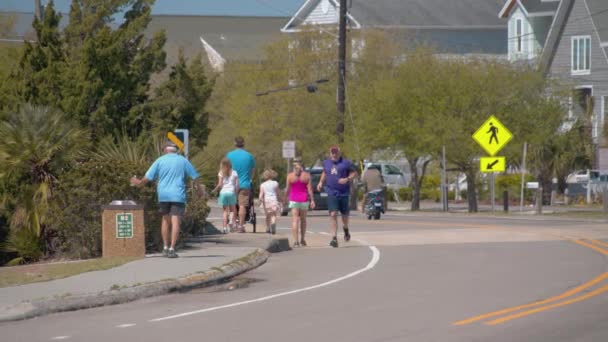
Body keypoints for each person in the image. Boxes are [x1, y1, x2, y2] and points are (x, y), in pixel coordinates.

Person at [131, 141, 203, 258]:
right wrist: (200, 190)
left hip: (163, 195)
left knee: (165, 220)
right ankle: (172, 248)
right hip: (178, 195)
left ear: (165, 150)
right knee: (175, 222)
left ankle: (164, 247)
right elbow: (195, 176)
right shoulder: (183, 161)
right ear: (175, 150)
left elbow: (148, 177)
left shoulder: (160, 160)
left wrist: (139, 182)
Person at [317, 145, 357, 248]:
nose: (334, 155)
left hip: (343, 193)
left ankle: (346, 229)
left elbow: (354, 173)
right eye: (332, 153)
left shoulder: (346, 163)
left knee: (344, 216)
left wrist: (347, 179)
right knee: (333, 214)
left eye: (336, 153)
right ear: (330, 153)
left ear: (339, 153)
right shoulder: (326, 163)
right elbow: (325, 172)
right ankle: (334, 238)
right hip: (331, 192)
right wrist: (321, 182)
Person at [226, 136, 256, 233]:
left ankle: (233, 224)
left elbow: (225, 169)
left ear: (235, 143)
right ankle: (241, 226)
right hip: (244, 184)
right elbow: (252, 170)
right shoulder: (249, 156)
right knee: (243, 205)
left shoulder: (229, 155)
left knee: (232, 205)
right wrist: (249, 179)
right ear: (243, 144)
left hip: (232, 184)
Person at [284, 158, 315, 247]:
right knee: (303, 220)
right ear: (302, 165)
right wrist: (312, 200)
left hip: (294, 199)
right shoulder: (306, 175)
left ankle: (295, 241)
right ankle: (302, 239)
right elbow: (310, 189)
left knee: (295, 220)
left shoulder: (290, 176)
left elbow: (288, 189)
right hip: (304, 200)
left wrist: (284, 198)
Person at [212, 158, 239, 234]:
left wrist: (214, 190)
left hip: (223, 193)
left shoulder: (221, 172)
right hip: (231, 193)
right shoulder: (234, 172)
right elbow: (237, 185)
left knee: (224, 211)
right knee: (232, 210)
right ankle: (231, 221)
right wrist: (236, 193)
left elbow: (220, 184)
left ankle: (224, 228)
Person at [259, 169, 282, 235]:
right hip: (273, 201)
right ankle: (273, 224)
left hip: (266, 201)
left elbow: (261, 194)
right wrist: (281, 198)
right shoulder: (275, 183)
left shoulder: (262, 185)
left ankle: (268, 228)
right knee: (273, 215)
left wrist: (260, 199)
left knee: (267, 216)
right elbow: (278, 192)